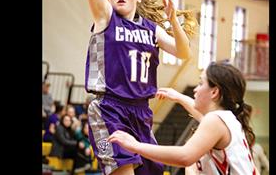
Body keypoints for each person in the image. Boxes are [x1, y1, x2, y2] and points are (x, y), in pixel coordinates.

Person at [83, 0, 197, 175]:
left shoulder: (151, 29)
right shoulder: (105, 17)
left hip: (141, 113)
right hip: (109, 108)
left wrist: (173, 20)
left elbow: (184, 53)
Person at [108, 61, 258, 175]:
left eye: (200, 83)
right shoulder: (226, 118)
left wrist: (135, 145)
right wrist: (178, 97)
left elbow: (185, 156)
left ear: (214, 92)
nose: (195, 89)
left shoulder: (215, 120)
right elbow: (199, 113)